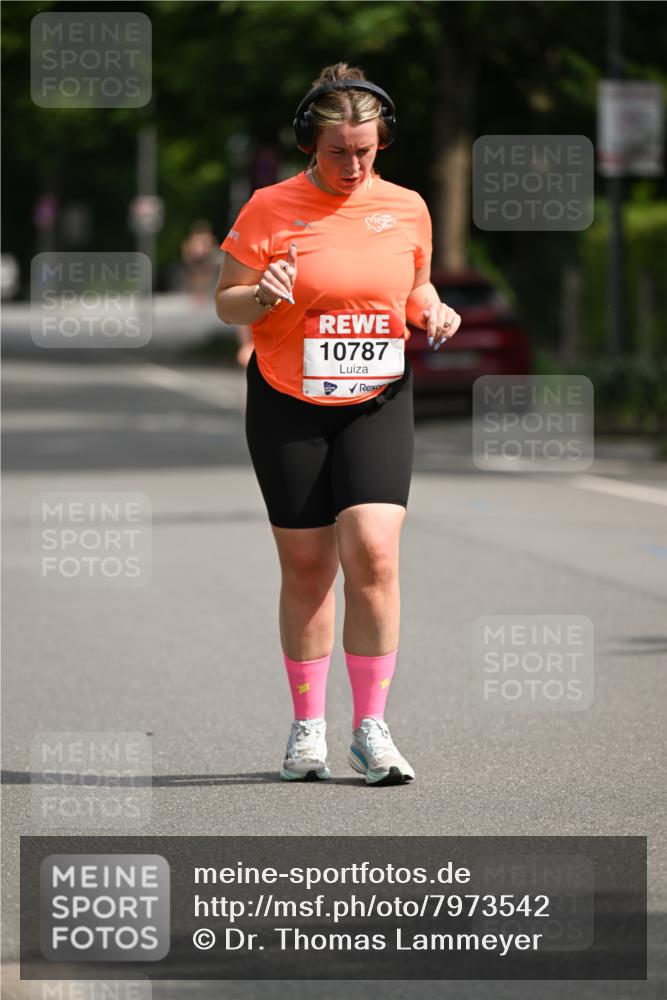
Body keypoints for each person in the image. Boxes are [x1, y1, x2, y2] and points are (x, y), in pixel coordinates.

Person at [214, 62, 461, 786]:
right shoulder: (267, 207)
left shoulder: (407, 207)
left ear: (381, 141)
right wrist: (258, 293)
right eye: (336, 152)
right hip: (288, 398)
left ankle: (372, 729)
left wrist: (431, 309)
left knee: (374, 553)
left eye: (365, 149)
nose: (352, 164)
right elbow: (225, 302)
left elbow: (414, 283)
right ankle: (307, 729)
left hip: (378, 395)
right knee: (310, 567)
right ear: (306, 147)